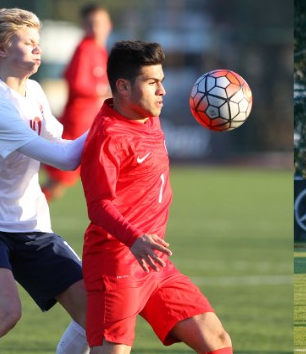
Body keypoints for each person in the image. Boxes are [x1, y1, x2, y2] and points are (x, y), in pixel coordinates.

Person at [0, 8, 89, 353]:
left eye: (38, 42)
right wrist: (112, 117)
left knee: (97, 314)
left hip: (29, 222)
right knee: (6, 312)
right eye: (28, 42)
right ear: (1, 49)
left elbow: (64, 145)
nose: (37, 49)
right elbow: (68, 160)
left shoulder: (35, 92)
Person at [79, 40, 233, 353]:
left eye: (161, 81)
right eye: (152, 83)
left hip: (154, 262)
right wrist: (134, 238)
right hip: (116, 262)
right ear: (123, 86)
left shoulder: (150, 116)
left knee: (216, 341)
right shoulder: (108, 136)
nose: (162, 90)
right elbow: (98, 206)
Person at [42, 3, 112, 200]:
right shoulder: (85, 49)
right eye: (91, 24)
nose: (95, 28)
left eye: (99, 23)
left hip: (92, 124)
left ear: (109, 25)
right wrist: (105, 90)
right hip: (78, 125)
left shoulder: (99, 51)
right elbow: (76, 83)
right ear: (84, 26)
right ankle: (16, 217)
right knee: (58, 182)